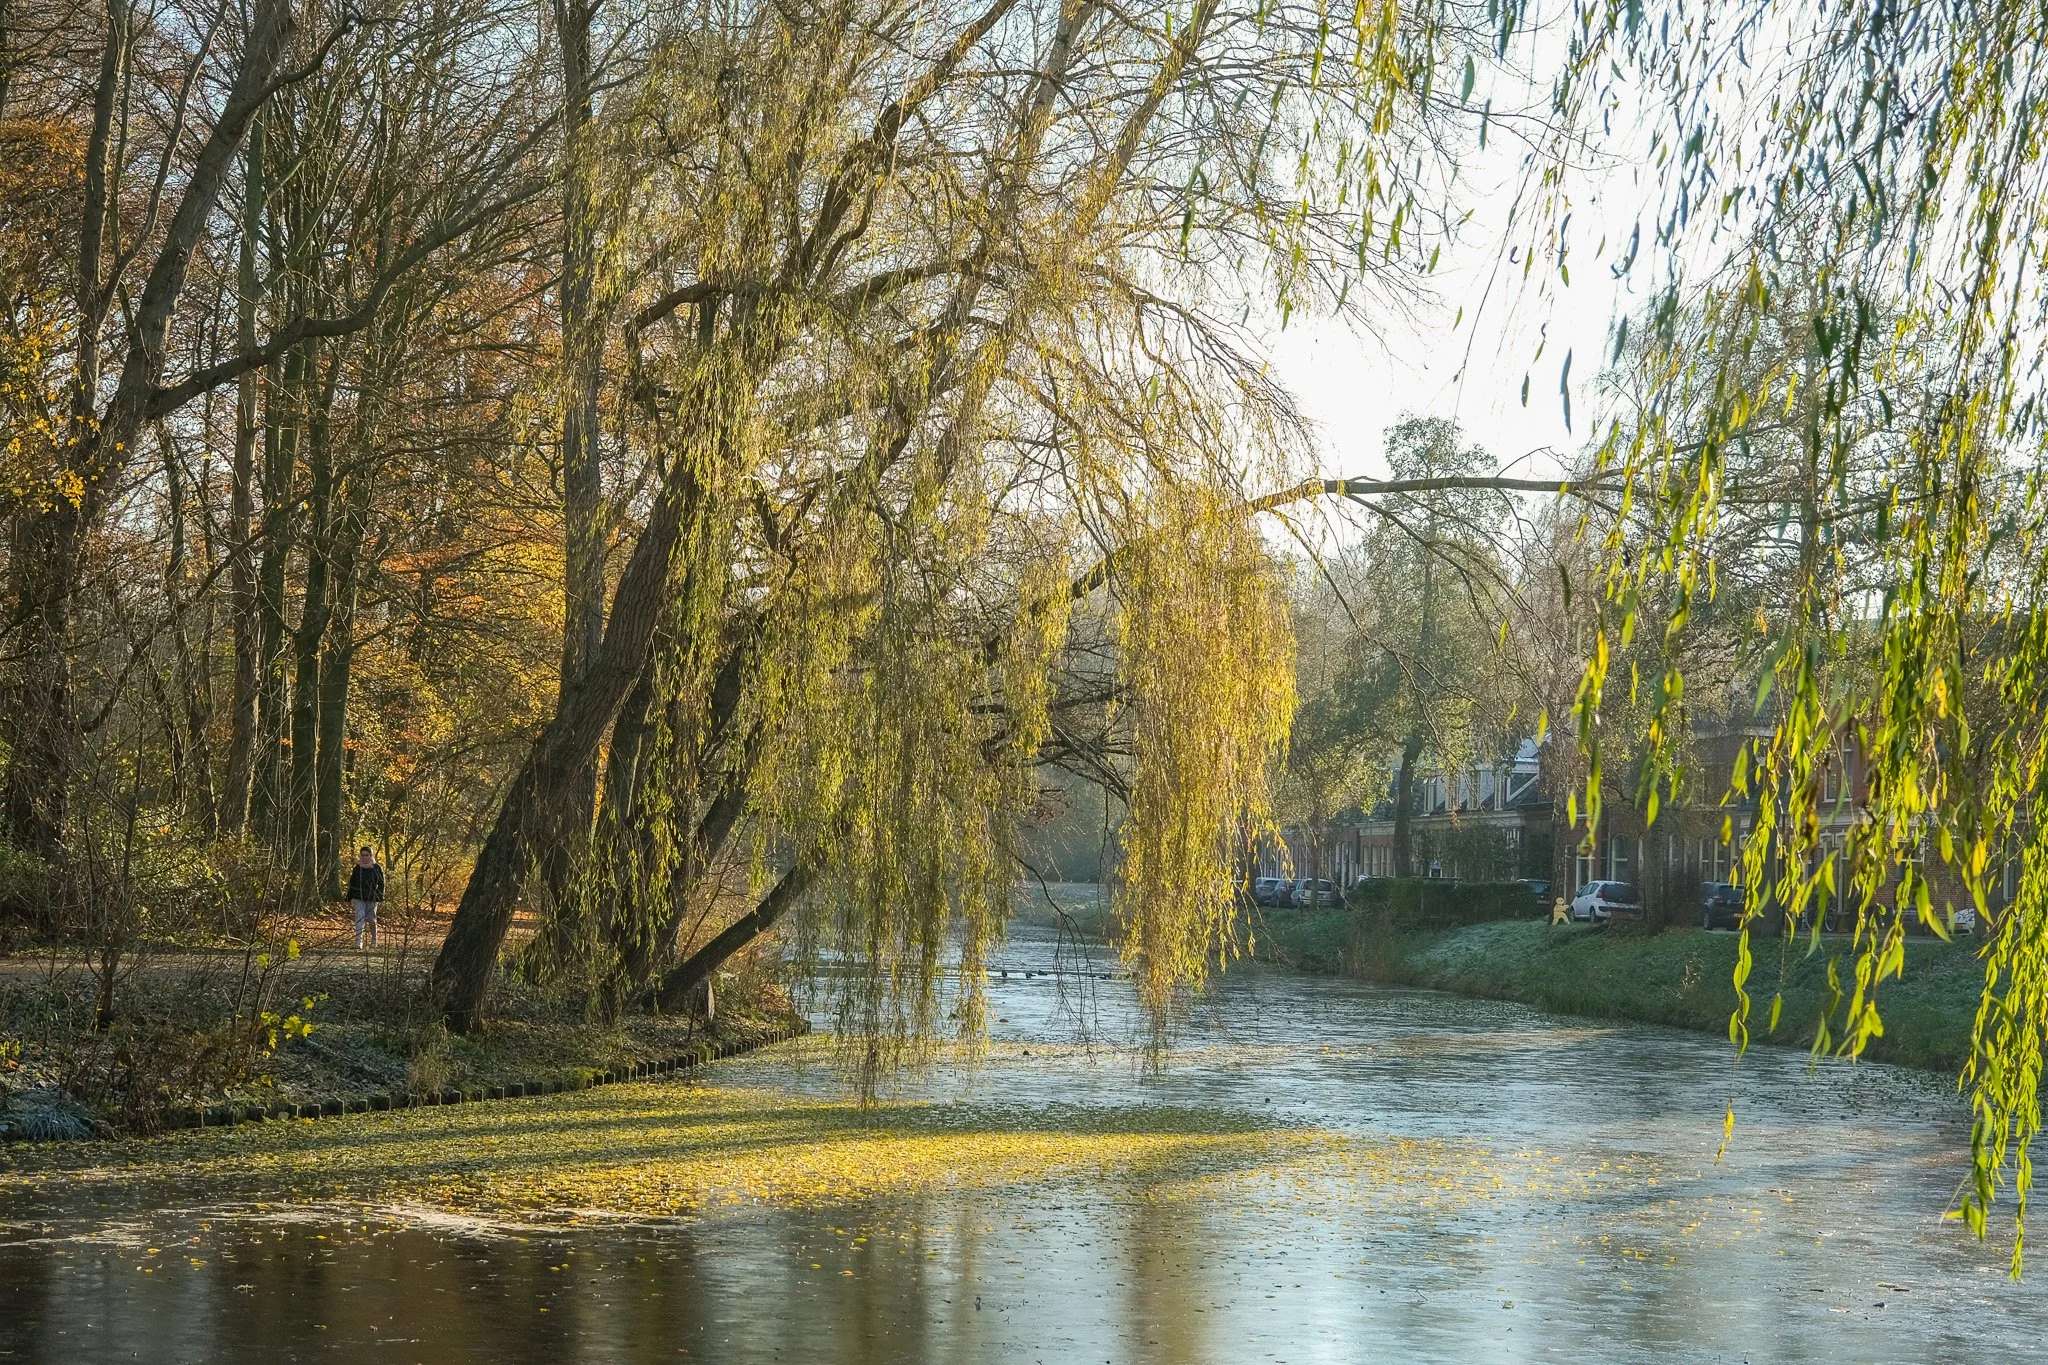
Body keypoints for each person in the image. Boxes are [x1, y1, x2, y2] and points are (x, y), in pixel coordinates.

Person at [346, 847, 386, 949]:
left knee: (371, 919)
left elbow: (381, 883)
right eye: (362, 855)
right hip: (359, 897)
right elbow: (352, 883)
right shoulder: (357, 869)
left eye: (366, 855)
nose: (364, 858)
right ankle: (359, 942)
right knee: (359, 918)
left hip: (372, 898)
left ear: (371, 856)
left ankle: (374, 940)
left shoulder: (376, 868)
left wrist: (380, 895)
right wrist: (349, 896)